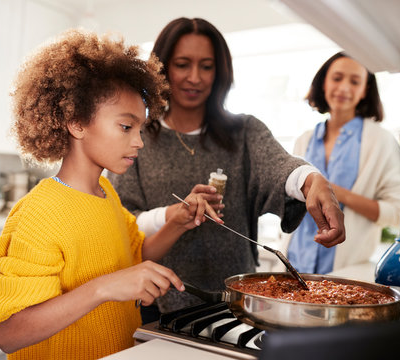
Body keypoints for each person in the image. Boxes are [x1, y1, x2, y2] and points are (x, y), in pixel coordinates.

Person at [0, 29, 223, 360]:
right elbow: (9, 333)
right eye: (126, 127)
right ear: (77, 123)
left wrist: (178, 222)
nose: (138, 141)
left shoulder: (104, 192)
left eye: (140, 129)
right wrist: (104, 287)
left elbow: (135, 255)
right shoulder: (37, 214)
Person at [108, 17, 345, 321]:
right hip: (155, 305)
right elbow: (122, 222)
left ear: (220, 72)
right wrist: (171, 214)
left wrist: (312, 180)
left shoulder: (243, 131)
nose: (195, 77)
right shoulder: (137, 135)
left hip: (236, 306)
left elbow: (279, 166)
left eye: (206, 66)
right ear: (163, 68)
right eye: (183, 64)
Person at [284, 52, 400, 274]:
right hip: (293, 267)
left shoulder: (381, 141)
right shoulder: (304, 140)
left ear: (365, 91)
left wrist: (335, 192)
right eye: (337, 78)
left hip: (345, 273)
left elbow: (399, 212)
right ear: (323, 83)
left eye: (354, 81)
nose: (344, 88)